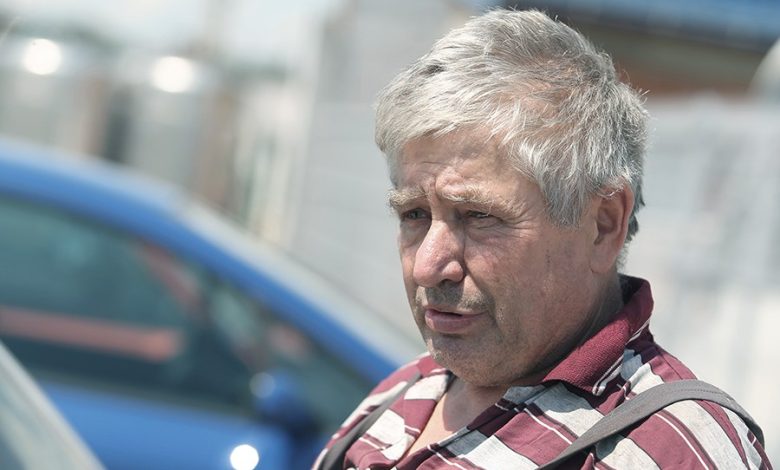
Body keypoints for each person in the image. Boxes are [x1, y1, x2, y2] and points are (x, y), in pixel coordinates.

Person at [313, 9, 772, 469]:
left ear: (603, 224)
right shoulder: (415, 384)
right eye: (414, 214)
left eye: (478, 217)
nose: (427, 266)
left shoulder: (670, 451)